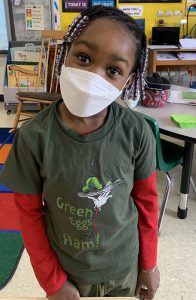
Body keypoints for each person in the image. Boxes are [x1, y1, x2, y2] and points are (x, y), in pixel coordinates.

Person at [0, 5, 160, 300]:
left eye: (113, 70)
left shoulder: (137, 133)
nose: (92, 77)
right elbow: (29, 215)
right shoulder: (34, 137)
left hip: (125, 267)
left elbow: (147, 203)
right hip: (68, 274)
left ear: (127, 81)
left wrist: (149, 264)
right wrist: (53, 281)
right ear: (65, 53)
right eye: (84, 58)